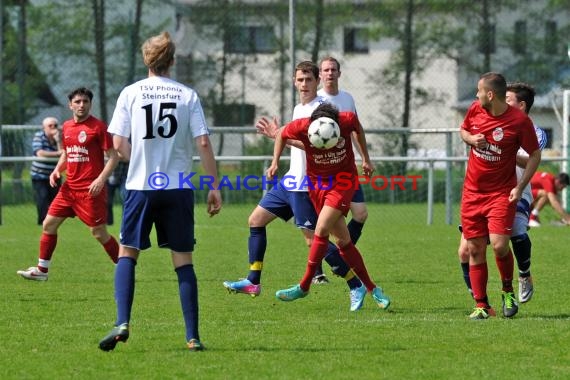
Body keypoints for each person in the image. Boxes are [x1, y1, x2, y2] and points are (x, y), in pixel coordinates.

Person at [98, 31, 222, 352]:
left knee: (128, 253)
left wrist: (135, 156)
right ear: (172, 61)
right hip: (177, 187)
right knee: (183, 261)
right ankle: (192, 337)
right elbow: (204, 142)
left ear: (147, 60)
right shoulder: (187, 95)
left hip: (141, 186)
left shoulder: (131, 93)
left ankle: (122, 322)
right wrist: (214, 186)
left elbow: (117, 144)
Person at [223, 61, 368, 312]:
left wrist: (282, 135)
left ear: (316, 82)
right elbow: (290, 137)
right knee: (255, 220)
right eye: (300, 80)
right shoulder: (298, 108)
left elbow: (322, 144)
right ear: (294, 81)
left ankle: (355, 284)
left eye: (308, 80)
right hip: (290, 179)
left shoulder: (321, 111)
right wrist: (275, 160)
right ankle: (253, 281)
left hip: (306, 185)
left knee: (314, 241)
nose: (304, 84)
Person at [266, 102, 391, 309]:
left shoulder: (347, 119)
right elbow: (281, 134)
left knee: (321, 228)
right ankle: (370, 288)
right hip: (317, 185)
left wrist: (366, 159)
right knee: (343, 241)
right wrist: (275, 162)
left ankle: (304, 285)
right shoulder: (303, 125)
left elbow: (358, 129)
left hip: (343, 182)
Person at [460, 72, 541, 320]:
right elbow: (463, 131)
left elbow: (535, 155)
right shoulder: (475, 110)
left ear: (490, 94)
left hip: (500, 193)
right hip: (472, 193)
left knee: (499, 245)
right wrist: (472, 139)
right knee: (473, 250)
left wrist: (520, 186)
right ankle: (482, 305)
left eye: (479, 91)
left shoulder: (518, 121)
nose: (476, 95)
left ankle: (507, 291)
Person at [17, 88, 120, 281]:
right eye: (78, 101)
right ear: (70, 104)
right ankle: (42, 270)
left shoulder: (98, 127)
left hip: (90, 190)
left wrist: (100, 179)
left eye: (85, 102)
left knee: (99, 233)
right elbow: (67, 153)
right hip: (69, 189)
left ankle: (124, 268)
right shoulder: (67, 127)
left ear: (90, 104)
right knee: (48, 224)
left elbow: (113, 157)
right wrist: (57, 170)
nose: (82, 105)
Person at [312, 56, 371, 283]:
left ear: (339, 73)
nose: (329, 73)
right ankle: (320, 270)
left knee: (361, 214)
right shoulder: (316, 102)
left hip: (346, 169)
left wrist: (365, 158)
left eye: (333, 69)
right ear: (320, 74)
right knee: (322, 225)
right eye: (325, 70)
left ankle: (341, 258)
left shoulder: (347, 98)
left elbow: (356, 129)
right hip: (325, 173)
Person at [30, 117, 63, 225]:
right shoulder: (39, 136)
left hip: (55, 175)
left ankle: (53, 223)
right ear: (44, 128)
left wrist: (58, 140)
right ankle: (42, 223)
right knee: (42, 199)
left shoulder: (60, 137)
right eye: (50, 126)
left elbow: (64, 152)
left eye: (55, 125)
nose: (53, 128)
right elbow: (40, 153)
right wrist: (57, 154)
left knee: (55, 201)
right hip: (39, 175)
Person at [106, 160, 128, 225]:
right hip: (109, 176)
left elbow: (126, 156)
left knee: (126, 200)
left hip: (124, 176)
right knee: (107, 202)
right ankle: (108, 222)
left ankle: (126, 221)